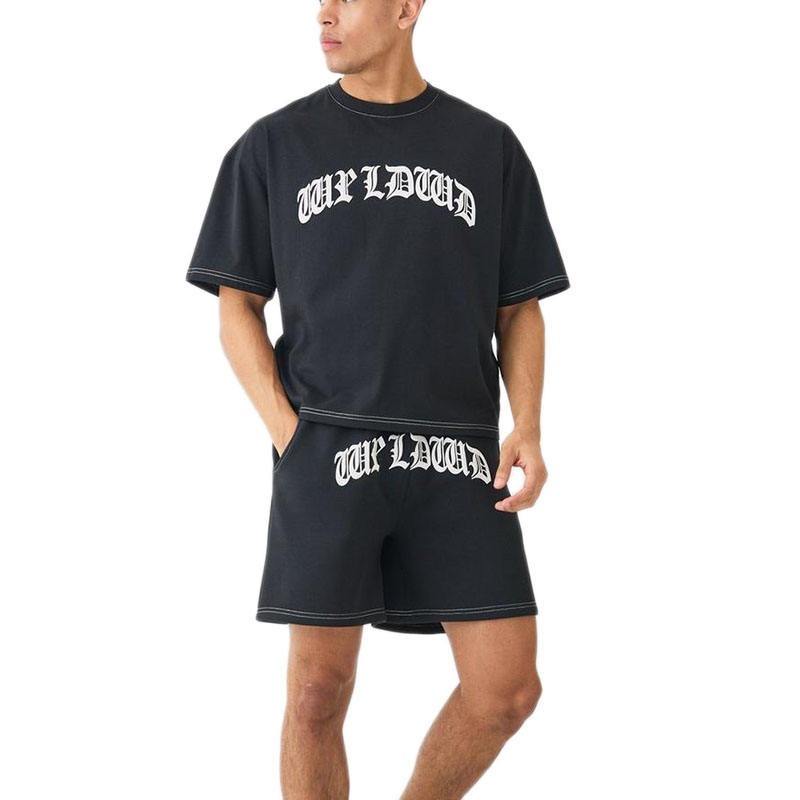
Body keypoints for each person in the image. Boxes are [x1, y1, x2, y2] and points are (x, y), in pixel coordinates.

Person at [186, 1, 569, 797]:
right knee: (316, 694)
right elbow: (236, 305)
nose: (323, 14)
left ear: (405, 8)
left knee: (506, 690)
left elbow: (519, 307)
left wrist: (528, 425)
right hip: (328, 447)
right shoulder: (274, 145)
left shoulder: (488, 147)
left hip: (459, 452)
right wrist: (290, 433)